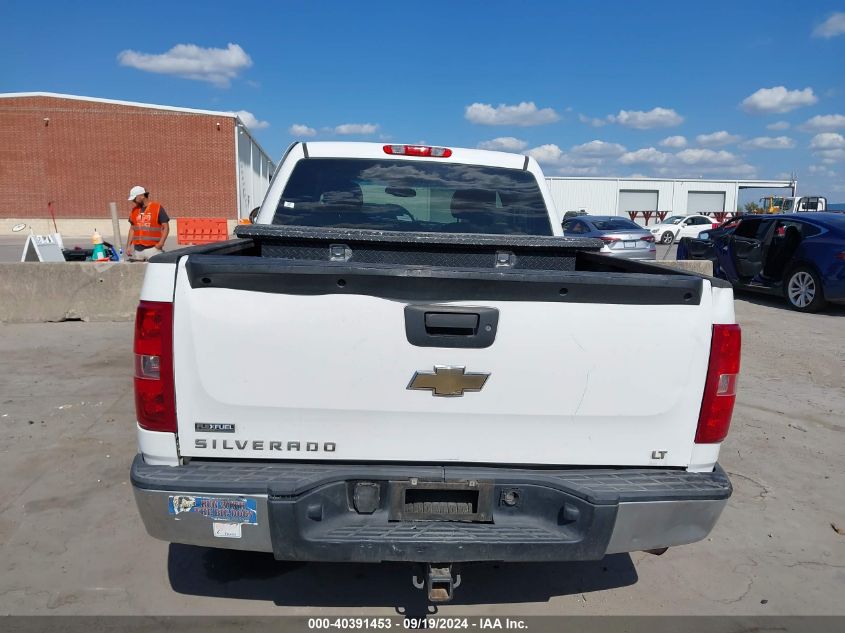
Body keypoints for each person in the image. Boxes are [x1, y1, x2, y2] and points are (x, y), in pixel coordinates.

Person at [126, 186, 170, 261]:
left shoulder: (157, 208)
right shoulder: (134, 210)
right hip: (138, 251)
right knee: (141, 272)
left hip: (153, 249)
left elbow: (166, 227)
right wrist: (128, 246)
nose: (133, 200)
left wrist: (160, 244)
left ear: (142, 196)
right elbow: (132, 229)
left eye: (134, 198)